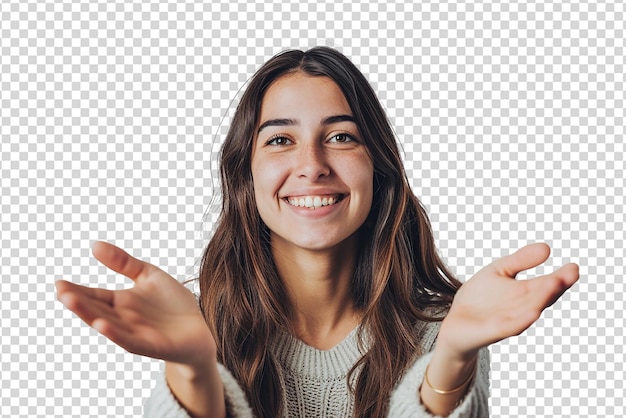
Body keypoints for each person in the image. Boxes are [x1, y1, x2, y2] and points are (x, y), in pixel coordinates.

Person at [55, 47, 579, 418]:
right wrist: (192, 366)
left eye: (341, 136)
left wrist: (452, 357)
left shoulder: (445, 327)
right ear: (247, 175)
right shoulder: (196, 322)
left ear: (379, 168)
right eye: (281, 139)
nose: (312, 165)